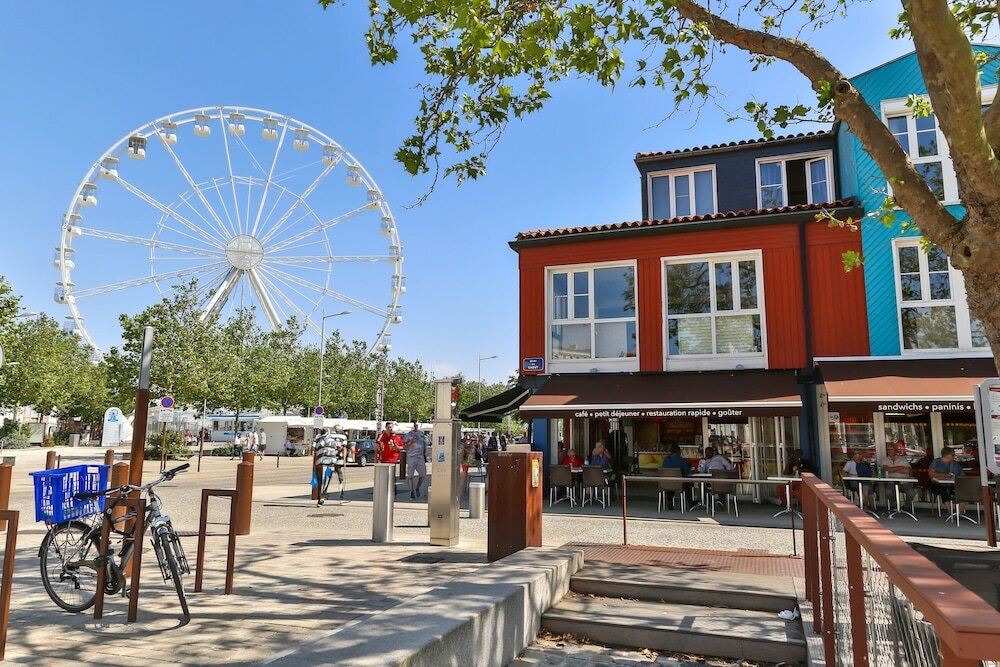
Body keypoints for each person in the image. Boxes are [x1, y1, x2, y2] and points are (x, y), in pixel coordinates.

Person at [929, 446, 965, 515]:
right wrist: (944, 475)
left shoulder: (955, 464)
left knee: (963, 489)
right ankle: (950, 512)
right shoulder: (936, 462)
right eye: (953, 455)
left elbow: (962, 474)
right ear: (947, 455)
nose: (954, 456)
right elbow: (931, 473)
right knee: (943, 490)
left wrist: (958, 477)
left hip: (953, 483)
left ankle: (961, 512)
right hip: (938, 483)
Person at [313, 429, 346, 505]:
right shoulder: (336, 438)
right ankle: (334, 495)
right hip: (333, 461)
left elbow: (314, 449)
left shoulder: (319, 438)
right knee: (332, 479)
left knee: (323, 479)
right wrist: (342, 459)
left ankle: (322, 495)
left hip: (322, 461)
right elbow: (341, 448)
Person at [881, 439, 916, 508]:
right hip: (891, 482)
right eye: (888, 450)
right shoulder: (885, 460)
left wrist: (892, 469)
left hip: (904, 481)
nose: (889, 451)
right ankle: (894, 506)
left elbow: (907, 471)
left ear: (895, 450)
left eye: (891, 449)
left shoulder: (902, 459)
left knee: (911, 493)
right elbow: (886, 469)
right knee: (888, 492)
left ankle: (906, 506)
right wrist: (900, 467)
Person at [403, 421, 428, 499]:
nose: (416, 426)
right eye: (414, 425)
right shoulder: (408, 435)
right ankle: (411, 491)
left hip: (420, 457)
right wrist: (411, 442)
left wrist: (425, 454)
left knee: (423, 475)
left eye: (417, 425)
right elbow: (404, 446)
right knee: (410, 476)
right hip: (411, 457)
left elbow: (425, 444)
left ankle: (417, 487)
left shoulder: (421, 434)